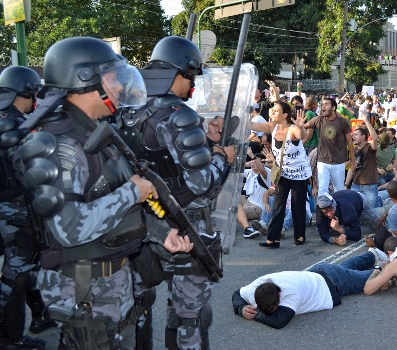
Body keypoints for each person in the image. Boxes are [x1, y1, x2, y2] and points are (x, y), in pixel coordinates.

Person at [15, 37, 192, 350]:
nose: (120, 85)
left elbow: (111, 203)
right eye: (112, 76)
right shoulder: (62, 145)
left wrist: (159, 232)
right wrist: (131, 193)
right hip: (83, 287)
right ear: (86, 79)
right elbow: (70, 228)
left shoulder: (95, 130)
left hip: (112, 279)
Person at [118, 36, 235, 350]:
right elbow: (200, 183)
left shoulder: (128, 109)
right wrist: (224, 157)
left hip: (140, 222)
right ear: (181, 73)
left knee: (136, 306)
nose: (192, 86)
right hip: (185, 224)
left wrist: (207, 143)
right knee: (190, 315)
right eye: (192, 77)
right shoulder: (177, 114)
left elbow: (159, 160)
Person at [0, 66, 55, 349]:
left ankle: (32, 322)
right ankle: (9, 338)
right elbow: (29, 169)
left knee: (21, 271)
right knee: (16, 276)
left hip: (9, 208)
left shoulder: (6, 118)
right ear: (28, 92)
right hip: (14, 208)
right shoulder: (13, 123)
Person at [231, 250, 385, 329]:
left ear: (279, 294)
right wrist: (241, 307)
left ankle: (390, 265)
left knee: (370, 279)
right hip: (318, 272)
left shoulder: (290, 292)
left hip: (334, 282)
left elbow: (279, 321)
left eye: (274, 308)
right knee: (346, 268)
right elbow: (237, 294)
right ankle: (371, 255)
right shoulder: (255, 286)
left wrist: (254, 314)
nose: (275, 311)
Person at [252, 101, 310, 247]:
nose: (272, 113)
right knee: (278, 205)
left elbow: (301, 135)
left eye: (276, 111)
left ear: (285, 115)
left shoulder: (293, 130)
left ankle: (300, 236)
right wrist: (238, 118)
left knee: (297, 205)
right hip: (282, 173)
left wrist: (300, 126)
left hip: (299, 174)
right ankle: (273, 239)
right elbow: (252, 126)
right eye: (273, 110)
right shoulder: (273, 127)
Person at [304, 98, 355, 197]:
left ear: (333, 108)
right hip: (323, 161)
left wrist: (353, 159)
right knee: (323, 189)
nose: (323, 106)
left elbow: (349, 141)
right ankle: (322, 211)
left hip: (339, 162)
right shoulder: (319, 119)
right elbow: (304, 126)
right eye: (322, 104)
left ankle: (338, 211)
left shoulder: (342, 122)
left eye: (326, 104)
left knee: (339, 190)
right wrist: (299, 124)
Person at [315, 192, 391, 246]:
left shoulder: (347, 211)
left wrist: (339, 229)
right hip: (345, 197)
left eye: (331, 210)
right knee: (321, 230)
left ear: (334, 205)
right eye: (325, 212)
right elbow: (323, 234)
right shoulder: (320, 209)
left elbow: (357, 236)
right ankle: (356, 221)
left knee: (381, 228)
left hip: (358, 201)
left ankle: (388, 208)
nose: (329, 214)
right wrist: (336, 240)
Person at [346, 113, 379, 208]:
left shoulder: (369, 147)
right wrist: (346, 185)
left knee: (372, 212)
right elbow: (352, 169)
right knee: (354, 210)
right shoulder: (353, 150)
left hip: (370, 186)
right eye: (353, 135)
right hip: (355, 185)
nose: (353, 136)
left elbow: (375, 139)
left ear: (363, 136)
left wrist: (366, 121)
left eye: (356, 134)